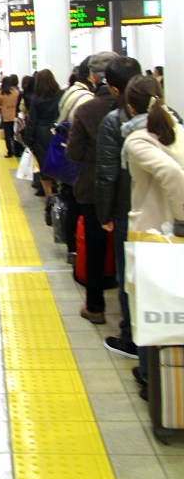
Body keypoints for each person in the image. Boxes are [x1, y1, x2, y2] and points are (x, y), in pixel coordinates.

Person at [122, 75, 184, 397]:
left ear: (129, 105)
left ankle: (151, 377)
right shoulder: (175, 126)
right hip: (170, 229)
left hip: (156, 231)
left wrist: (181, 218)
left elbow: (172, 174)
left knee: (150, 306)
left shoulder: (137, 139)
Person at [93, 56, 143, 358]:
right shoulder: (169, 114)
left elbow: (107, 175)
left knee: (131, 276)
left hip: (127, 212)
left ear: (112, 89)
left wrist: (104, 214)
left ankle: (131, 338)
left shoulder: (113, 121)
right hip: (163, 211)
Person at [65, 51, 119, 323]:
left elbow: (73, 154)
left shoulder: (86, 110)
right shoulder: (142, 108)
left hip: (92, 191)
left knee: (96, 250)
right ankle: (132, 318)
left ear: (92, 77)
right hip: (130, 192)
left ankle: (95, 307)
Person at [54, 57, 94, 263]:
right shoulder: (86, 100)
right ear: (91, 76)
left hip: (66, 153)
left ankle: (72, 247)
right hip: (76, 158)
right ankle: (78, 249)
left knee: (70, 201)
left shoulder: (69, 92)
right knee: (78, 205)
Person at [23, 68, 61, 216]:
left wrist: (28, 139)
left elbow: (32, 121)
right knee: (57, 163)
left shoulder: (36, 99)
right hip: (56, 132)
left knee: (44, 167)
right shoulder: (59, 96)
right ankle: (59, 193)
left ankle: (49, 197)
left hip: (40, 135)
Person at [0, 75, 19, 158]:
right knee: (14, 133)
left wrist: (0, 110)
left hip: (6, 117)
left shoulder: (2, 94)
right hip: (15, 116)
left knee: (7, 135)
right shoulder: (16, 92)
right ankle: (16, 149)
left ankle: (10, 151)